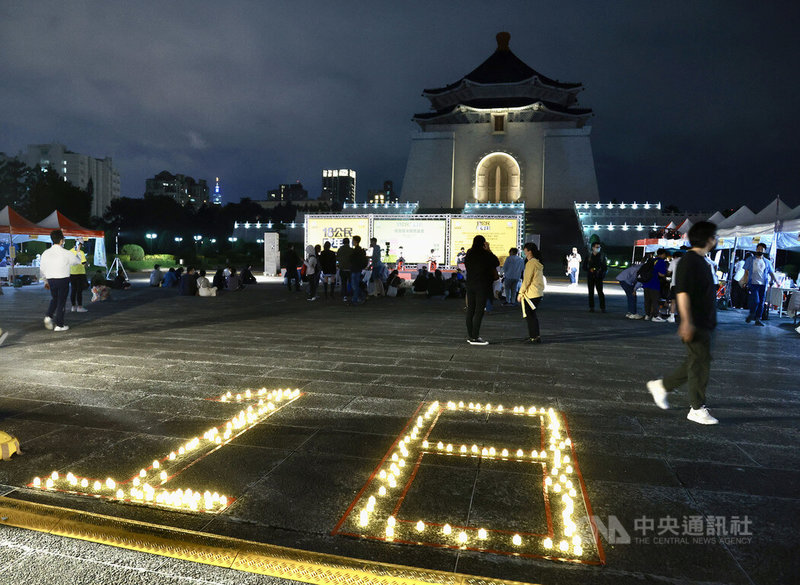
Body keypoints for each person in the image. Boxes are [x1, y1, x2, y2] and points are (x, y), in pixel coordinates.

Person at [647, 221, 720, 425]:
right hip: (695, 321)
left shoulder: (702, 261)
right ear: (708, 239)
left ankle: (661, 387)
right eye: (714, 236)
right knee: (699, 363)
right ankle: (696, 408)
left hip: (705, 321)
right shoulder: (690, 261)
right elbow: (682, 292)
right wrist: (686, 321)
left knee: (696, 360)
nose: (716, 240)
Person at [40, 229, 81, 332]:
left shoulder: (46, 253)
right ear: (62, 240)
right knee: (61, 301)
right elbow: (77, 261)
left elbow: (42, 269)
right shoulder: (66, 253)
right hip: (63, 279)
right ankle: (59, 325)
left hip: (51, 279)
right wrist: (78, 252)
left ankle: (49, 316)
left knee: (55, 298)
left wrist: (45, 281)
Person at [464, 235, 498, 345]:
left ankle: (471, 335)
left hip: (470, 285)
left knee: (470, 310)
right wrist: (488, 249)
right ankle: (475, 337)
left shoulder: (469, 254)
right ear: (483, 243)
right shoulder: (486, 254)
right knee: (479, 311)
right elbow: (496, 262)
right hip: (482, 286)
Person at [742, 242, 778, 326]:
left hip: (763, 285)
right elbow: (746, 272)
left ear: (764, 251)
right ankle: (751, 314)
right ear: (756, 249)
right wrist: (745, 281)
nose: (759, 250)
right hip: (753, 284)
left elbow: (772, 273)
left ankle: (758, 319)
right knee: (755, 300)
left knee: (761, 303)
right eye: (758, 248)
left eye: (761, 249)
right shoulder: (750, 259)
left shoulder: (767, 262)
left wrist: (776, 281)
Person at [518, 241, 545, 343]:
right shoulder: (537, 262)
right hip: (537, 292)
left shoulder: (531, 263)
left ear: (529, 251)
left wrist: (520, 293)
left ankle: (533, 337)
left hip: (530, 294)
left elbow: (527, 280)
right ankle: (535, 336)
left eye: (525, 250)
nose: (524, 252)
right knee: (533, 316)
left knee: (530, 317)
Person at [642, 248, 669, 321]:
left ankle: (647, 315)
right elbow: (661, 274)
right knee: (655, 300)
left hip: (646, 283)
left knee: (647, 300)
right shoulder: (661, 262)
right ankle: (655, 316)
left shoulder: (651, 260)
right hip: (654, 284)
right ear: (663, 254)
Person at [586, 242, 608, 313]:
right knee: (591, 292)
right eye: (596, 247)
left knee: (600, 292)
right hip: (590, 277)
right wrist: (590, 269)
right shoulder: (589, 256)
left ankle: (603, 307)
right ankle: (591, 307)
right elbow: (584, 267)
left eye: (599, 247)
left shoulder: (602, 257)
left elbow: (605, 267)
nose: (598, 248)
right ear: (593, 248)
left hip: (599, 277)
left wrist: (599, 270)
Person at [69, 238, 89, 313]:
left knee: (73, 290)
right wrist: (87, 263)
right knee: (79, 291)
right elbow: (84, 263)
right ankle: (80, 307)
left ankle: (73, 306)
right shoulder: (81, 252)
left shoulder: (69, 252)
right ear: (79, 244)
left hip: (72, 273)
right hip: (80, 273)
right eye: (81, 245)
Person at [349, 235, 368, 305]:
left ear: (355, 241)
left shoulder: (355, 251)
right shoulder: (360, 250)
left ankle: (356, 299)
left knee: (355, 285)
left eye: (353, 240)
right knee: (356, 285)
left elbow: (352, 260)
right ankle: (359, 297)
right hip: (358, 269)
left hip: (354, 269)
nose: (352, 242)